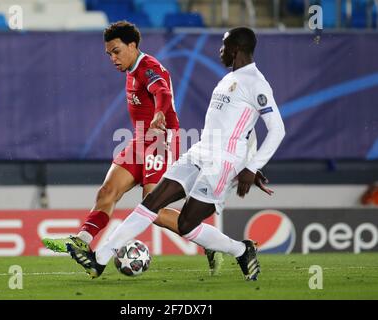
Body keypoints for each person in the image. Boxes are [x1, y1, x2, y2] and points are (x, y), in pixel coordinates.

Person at [42, 21, 272, 275]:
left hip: (160, 140)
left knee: (154, 210)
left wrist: (160, 112)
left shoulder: (149, 67)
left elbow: (161, 90)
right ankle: (82, 242)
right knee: (107, 191)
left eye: (116, 51)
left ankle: (215, 243)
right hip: (140, 139)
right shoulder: (131, 69)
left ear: (132, 45)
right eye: (109, 54)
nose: (112, 58)